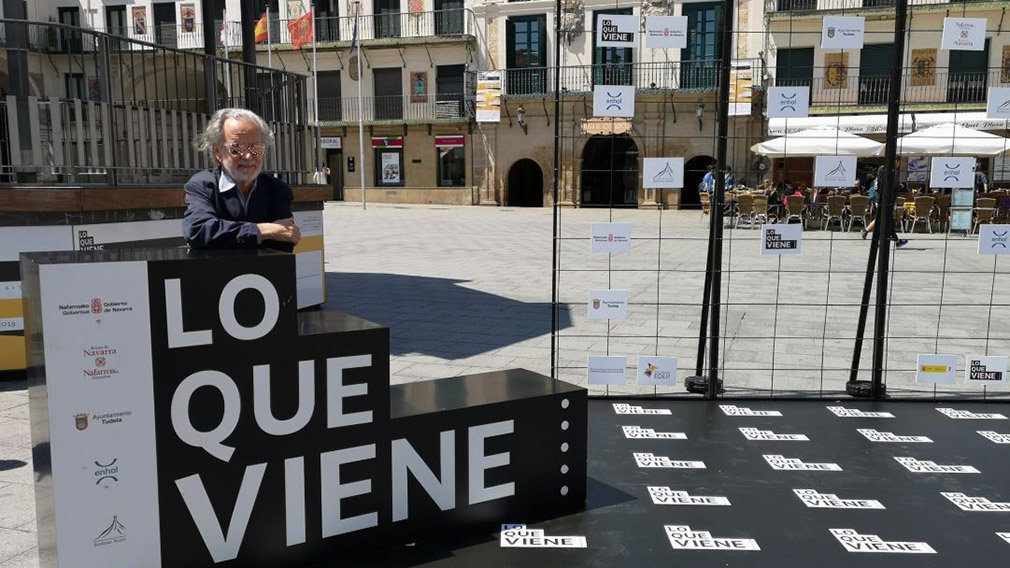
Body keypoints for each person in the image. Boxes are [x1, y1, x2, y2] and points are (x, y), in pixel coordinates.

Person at [183, 108, 301, 252]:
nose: (248, 156)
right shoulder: (202, 185)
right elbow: (198, 231)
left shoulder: (277, 189)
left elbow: (284, 242)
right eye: (236, 149)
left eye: (256, 148)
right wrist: (263, 230)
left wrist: (223, 235)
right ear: (217, 151)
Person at [861, 165, 908, 248]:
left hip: (879, 202)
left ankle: (870, 233)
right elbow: (895, 188)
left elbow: (877, 190)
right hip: (886, 203)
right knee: (886, 221)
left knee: (883, 219)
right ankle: (891, 240)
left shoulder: (877, 179)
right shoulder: (887, 180)